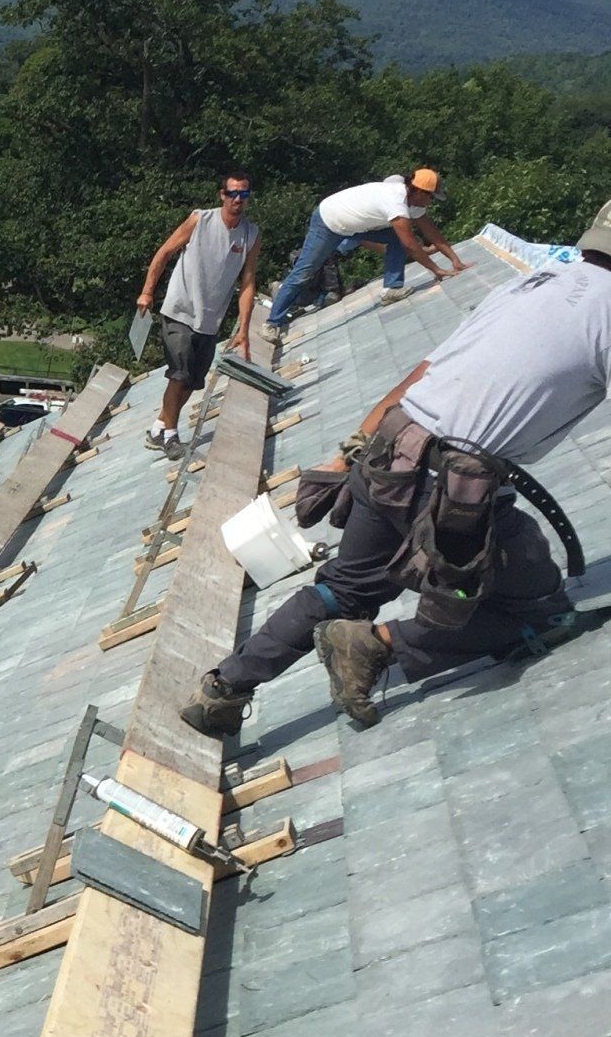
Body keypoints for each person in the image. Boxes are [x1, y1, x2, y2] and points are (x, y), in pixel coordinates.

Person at [183, 207, 611, 737]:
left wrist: (352, 452)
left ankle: (223, 688)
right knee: (542, 610)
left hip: (391, 449)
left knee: (345, 589)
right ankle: (374, 645)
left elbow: (424, 371)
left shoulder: (533, 284)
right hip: (455, 493)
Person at [135, 176, 260, 453]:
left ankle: (158, 427)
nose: (237, 200)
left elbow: (248, 283)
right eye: (232, 194)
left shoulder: (250, 234)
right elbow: (164, 252)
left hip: (210, 318)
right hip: (180, 308)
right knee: (179, 373)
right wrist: (147, 291)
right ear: (222, 195)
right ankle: (171, 436)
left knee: (193, 381)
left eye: (243, 194)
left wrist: (243, 330)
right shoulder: (200, 220)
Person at [264, 167, 465, 335]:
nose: (431, 202)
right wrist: (437, 270)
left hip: (354, 227)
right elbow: (410, 245)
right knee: (304, 273)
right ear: (420, 191)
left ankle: (392, 289)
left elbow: (431, 231)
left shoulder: (413, 203)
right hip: (328, 222)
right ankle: (272, 324)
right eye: (431, 197)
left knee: (396, 237)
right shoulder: (395, 200)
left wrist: (455, 260)